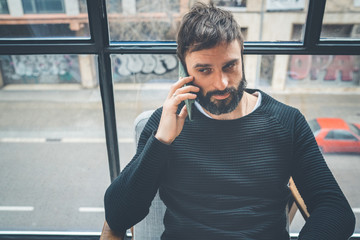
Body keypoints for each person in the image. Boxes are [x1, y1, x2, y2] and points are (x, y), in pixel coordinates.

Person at [104, 3, 355, 239]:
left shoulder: (286, 122)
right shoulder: (165, 122)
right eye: (204, 70)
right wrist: (161, 141)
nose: (222, 83)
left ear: (242, 57)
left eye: (230, 66)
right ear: (184, 69)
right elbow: (118, 216)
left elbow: (335, 210)